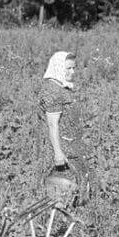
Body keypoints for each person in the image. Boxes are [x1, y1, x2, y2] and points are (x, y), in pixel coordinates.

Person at [39, 50, 81, 204]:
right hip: (57, 146)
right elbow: (52, 124)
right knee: (57, 191)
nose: (72, 72)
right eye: (68, 68)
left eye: (74, 68)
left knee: (68, 191)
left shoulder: (61, 86)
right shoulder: (52, 91)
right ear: (58, 67)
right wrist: (58, 153)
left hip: (67, 143)